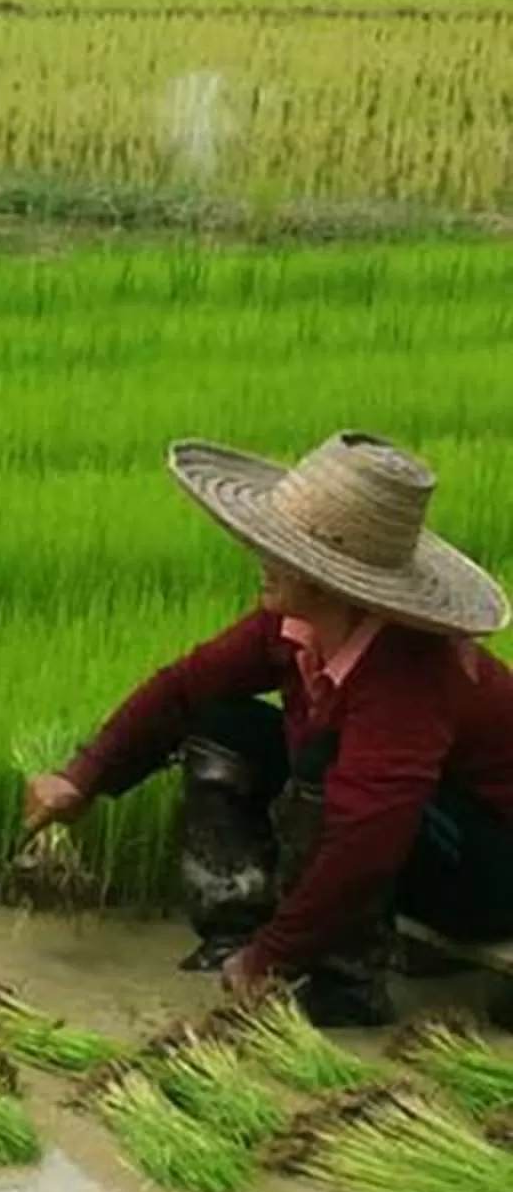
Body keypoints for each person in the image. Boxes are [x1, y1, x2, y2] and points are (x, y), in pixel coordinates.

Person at [25, 432, 513, 1027]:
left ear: (327, 577)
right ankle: (234, 934)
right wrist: (84, 777)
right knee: (222, 722)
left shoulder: (407, 673)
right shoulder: (293, 626)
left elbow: (366, 842)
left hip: (492, 871)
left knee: (327, 769)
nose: (260, 557)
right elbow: (183, 687)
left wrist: (276, 958)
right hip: (416, 830)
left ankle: (341, 986)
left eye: (279, 550)